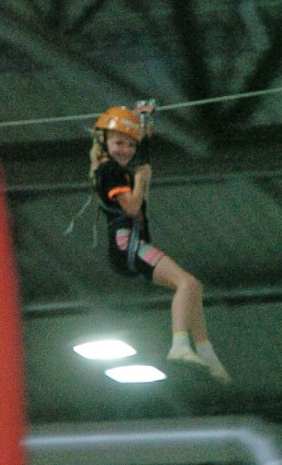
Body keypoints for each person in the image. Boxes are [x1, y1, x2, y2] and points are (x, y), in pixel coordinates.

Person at [90, 104, 230, 383]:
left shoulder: (113, 170)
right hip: (129, 245)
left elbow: (140, 162)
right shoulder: (111, 171)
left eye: (131, 145)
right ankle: (179, 344)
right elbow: (131, 207)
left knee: (193, 287)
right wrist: (141, 182)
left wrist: (144, 125)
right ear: (104, 141)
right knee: (186, 283)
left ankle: (205, 350)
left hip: (129, 246)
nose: (126, 150)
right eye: (119, 143)